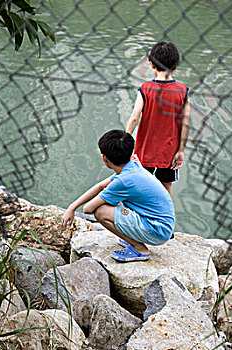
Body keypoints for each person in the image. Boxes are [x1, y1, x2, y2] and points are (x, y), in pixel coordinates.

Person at [63, 129, 175, 262]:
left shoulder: (124, 181)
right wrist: (72, 207)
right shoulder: (132, 165)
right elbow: (100, 186)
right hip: (163, 225)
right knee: (114, 200)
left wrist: (74, 209)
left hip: (157, 230)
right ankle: (133, 236)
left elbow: (88, 209)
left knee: (101, 211)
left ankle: (139, 249)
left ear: (104, 158)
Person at [126, 41, 190, 198]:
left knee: (139, 188)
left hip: (144, 151)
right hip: (169, 153)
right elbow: (185, 123)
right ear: (175, 65)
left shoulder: (145, 88)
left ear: (152, 64)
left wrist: (126, 140)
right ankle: (167, 220)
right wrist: (181, 151)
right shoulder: (183, 91)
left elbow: (134, 117)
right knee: (166, 190)